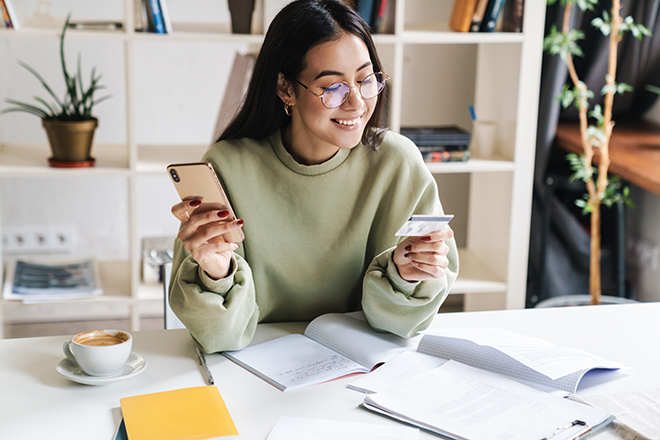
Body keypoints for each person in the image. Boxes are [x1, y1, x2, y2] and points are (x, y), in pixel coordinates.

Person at [169, 0, 459, 353]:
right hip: (255, 367)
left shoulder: (397, 164)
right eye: (332, 87)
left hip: (364, 366)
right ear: (286, 89)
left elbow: (399, 328)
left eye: (366, 80)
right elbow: (220, 337)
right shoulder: (229, 166)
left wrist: (407, 276)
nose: (356, 103)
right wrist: (217, 273)